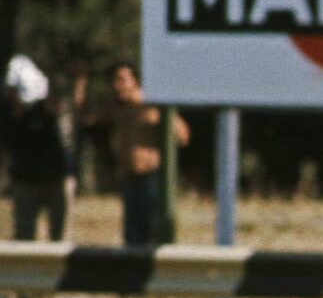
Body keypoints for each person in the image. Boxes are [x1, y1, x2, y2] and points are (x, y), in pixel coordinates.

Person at [75, 62, 189, 246]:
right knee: (133, 238)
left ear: (136, 82)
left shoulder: (152, 107)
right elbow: (85, 119)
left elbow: (183, 137)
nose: (117, 85)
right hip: (128, 179)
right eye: (115, 81)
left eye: (122, 80)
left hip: (151, 179)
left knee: (154, 234)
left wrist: (159, 118)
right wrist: (80, 84)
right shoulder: (116, 109)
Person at [1, 54, 75, 241]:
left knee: (60, 238)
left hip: (55, 180)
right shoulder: (8, 114)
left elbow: (59, 109)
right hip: (25, 182)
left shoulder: (47, 108)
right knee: (23, 237)